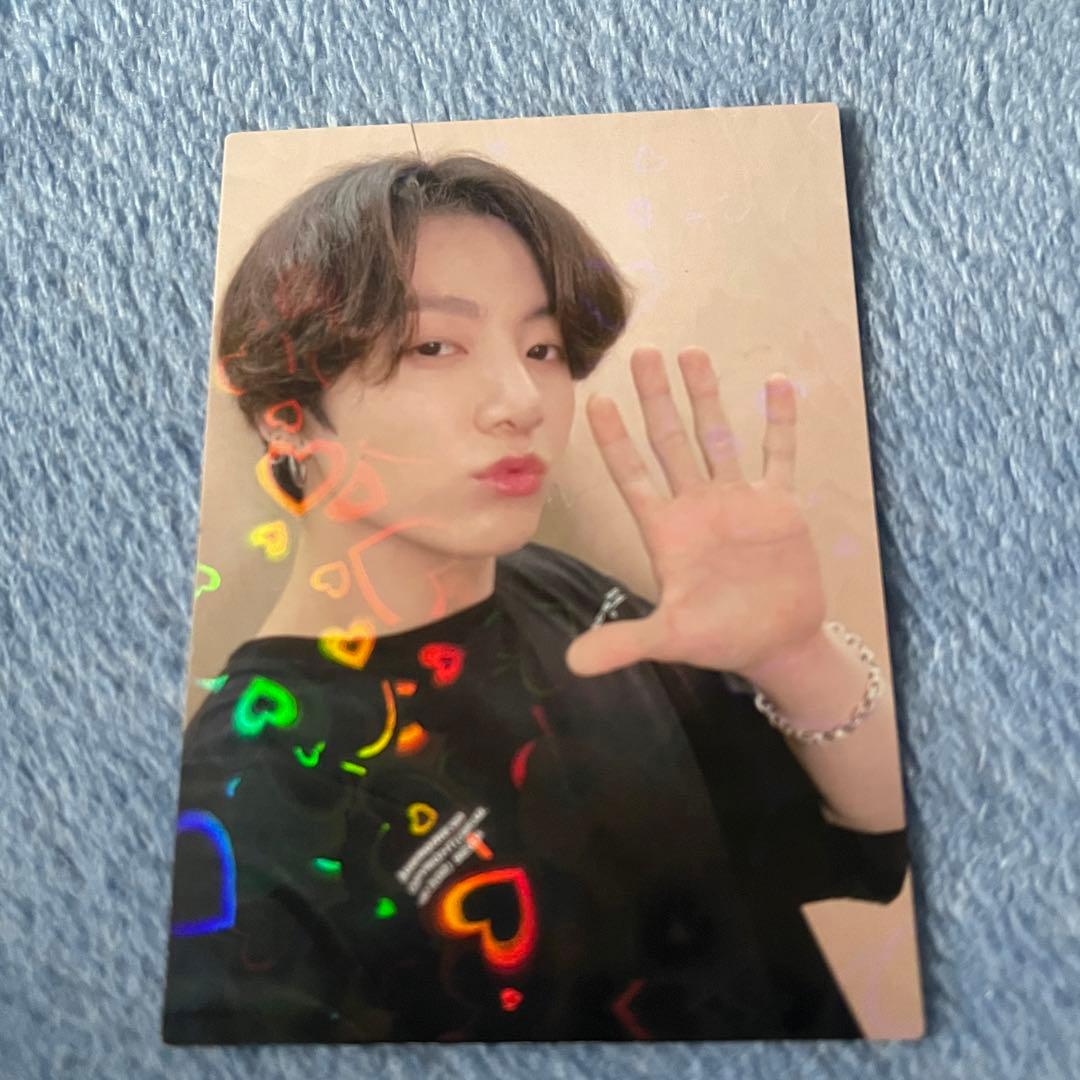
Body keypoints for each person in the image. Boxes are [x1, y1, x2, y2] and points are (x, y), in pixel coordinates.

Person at [162, 154, 910, 1044]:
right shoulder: (242, 803)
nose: (522, 401)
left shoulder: (566, 593)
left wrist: (795, 657)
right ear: (286, 415)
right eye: (433, 346)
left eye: (543, 348)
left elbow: (867, 837)